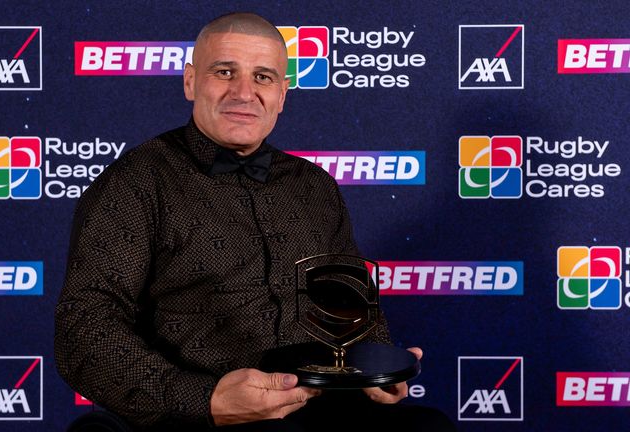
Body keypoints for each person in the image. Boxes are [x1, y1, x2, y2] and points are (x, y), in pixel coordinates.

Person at [55, 12, 456, 432]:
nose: (244, 93)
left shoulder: (315, 186)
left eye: (263, 77)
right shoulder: (136, 182)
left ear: (282, 94)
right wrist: (203, 399)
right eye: (225, 72)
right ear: (190, 81)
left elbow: (347, 302)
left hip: (321, 406)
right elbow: (84, 326)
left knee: (428, 427)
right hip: (197, 417)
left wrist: (376, 366)